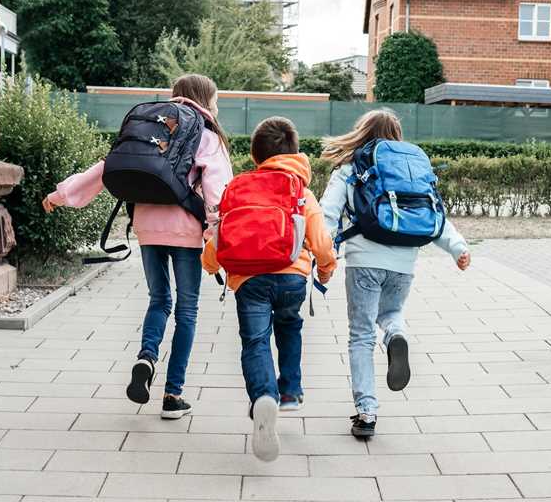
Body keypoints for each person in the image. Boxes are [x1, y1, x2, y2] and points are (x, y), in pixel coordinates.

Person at [42, 73, 232, 419]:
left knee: (159, 299)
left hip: (147, 226)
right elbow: (218, 188)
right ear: (205, 99)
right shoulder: (204, 132)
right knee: (186, 310)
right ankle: (173, 395)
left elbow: (106, 167)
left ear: (177, 96)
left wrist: (61, 195)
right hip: (186, 230)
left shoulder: (153, 127)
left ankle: (146, 357)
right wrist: (218, 232)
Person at [319, 109, 471, 441]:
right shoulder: (412, 169)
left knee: (360, 335)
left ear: (362, 133)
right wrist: (458, 248)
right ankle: (395, 336)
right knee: (390, 313)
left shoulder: (350, 169)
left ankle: (367, 412)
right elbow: (435, 212)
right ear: (397, 135)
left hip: (364, 262)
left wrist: (323, 256)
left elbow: (327, 216)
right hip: (404, 262)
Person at [202, 117, 337, 461]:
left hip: (249, 279)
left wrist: (211, 264)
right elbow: (319, 238)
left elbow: (221, 231)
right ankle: (289, 390)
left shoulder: (240, 186)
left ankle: (264, 397)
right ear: (294, 151)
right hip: (292, 276)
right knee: (290, 326)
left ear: (255, 154)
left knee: (256, 341)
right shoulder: (300, 190)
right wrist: (326, 267)